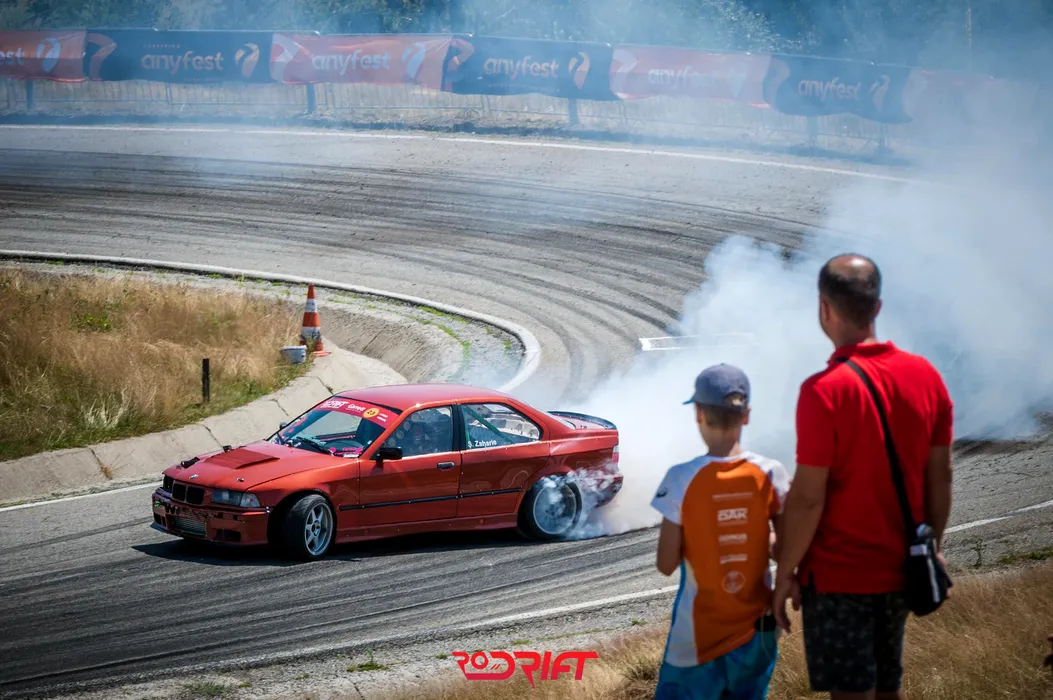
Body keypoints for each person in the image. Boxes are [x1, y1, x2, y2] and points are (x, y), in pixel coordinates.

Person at [773, 254, 955, 700]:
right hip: (902, 569)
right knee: (889, 687)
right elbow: (941, 476)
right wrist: (932, 547)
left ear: (824, 308)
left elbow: (809, 499)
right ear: (877, 307)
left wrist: (785, 572)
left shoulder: (823, 391)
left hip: (839, 576)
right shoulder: (926, 376)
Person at [651, 363, 791, 700]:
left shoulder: (680, 478)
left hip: (696, 638)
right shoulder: (771, 473)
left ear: (699, 413)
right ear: (747, 415)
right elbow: (787, 550)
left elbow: (666, 564)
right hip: (758, 630)